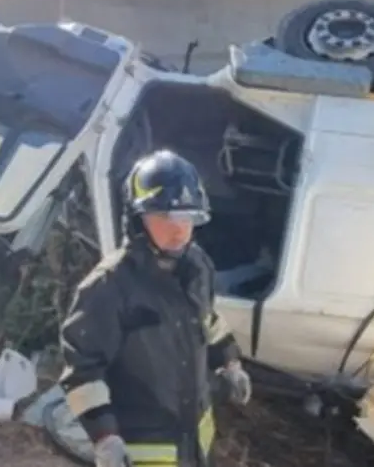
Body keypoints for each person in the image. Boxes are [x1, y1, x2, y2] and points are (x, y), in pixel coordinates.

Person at [59, 149, 253, 467]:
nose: (179, 229)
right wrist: (105, 438)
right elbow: (83, 370)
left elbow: (208, 321)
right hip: (144, 450)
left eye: (187, 218)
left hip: (194, 445)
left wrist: (231, 363)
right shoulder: (109, 285)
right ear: (138, 219)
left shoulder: (197, 266)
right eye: (165, 217)